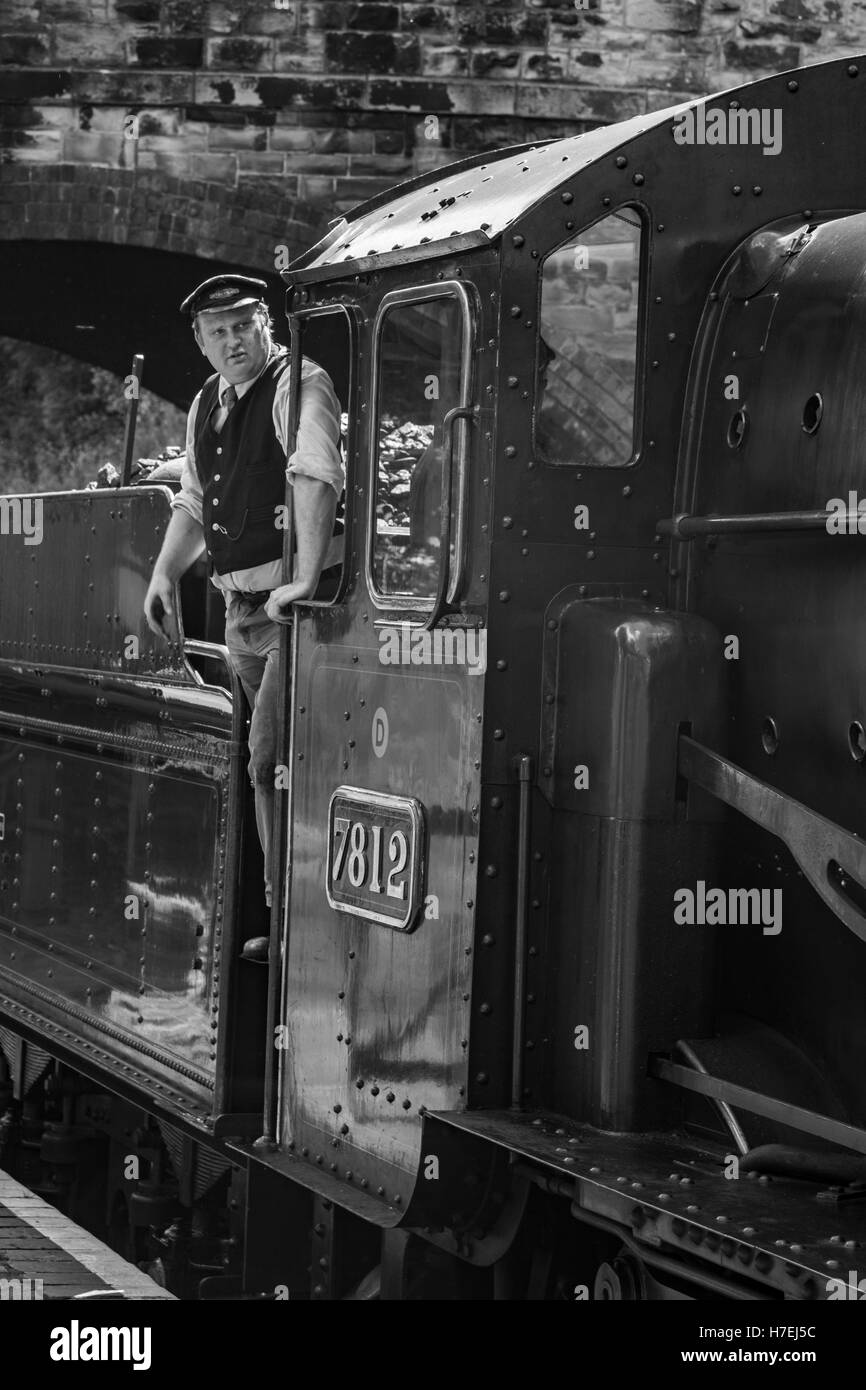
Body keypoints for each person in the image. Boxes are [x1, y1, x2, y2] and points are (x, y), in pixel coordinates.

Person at [143, 274, 344, 962]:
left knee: (268, 759)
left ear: (266, 325)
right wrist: (166, 572)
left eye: (242, 325)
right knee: (280, 764)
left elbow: (317, 473)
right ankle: (295, 912)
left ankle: (290, 928)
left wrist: (307, 578)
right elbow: (196, 501)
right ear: (200, 341)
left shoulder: (298, 383)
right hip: (243, 615)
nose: (232, 341)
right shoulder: (205, 403)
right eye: (217, 331)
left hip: (302, 616)